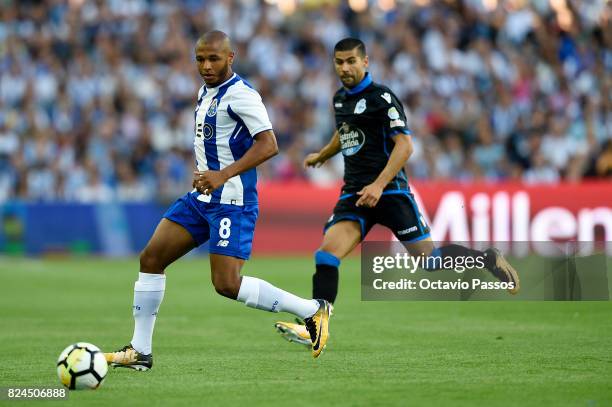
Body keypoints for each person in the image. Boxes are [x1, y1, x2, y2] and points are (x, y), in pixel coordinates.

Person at [104, 31, 332, 368]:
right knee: (151, 258)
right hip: (201, 198)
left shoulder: (242, 95)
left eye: (214, 59)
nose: (206, 66)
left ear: (230, 58)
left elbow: (269, 144)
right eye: (200, 59)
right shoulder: (205, 92)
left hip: (232, 200)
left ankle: (312, 310)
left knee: (226, 284)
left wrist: (222, 174)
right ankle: (140, 351)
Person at [274, 38, 519, 346]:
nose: (345, 67)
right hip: (355, 195)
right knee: (326, 254)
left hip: (390, 192)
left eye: (351, 61)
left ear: (366, 62)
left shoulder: (383, 97)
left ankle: (486, 259)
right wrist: (323, 154)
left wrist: (379, 185)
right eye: (339, 62)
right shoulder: (339, 99)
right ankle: (317, 328)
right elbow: (346, 130)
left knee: (429, 262)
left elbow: (405, 145)